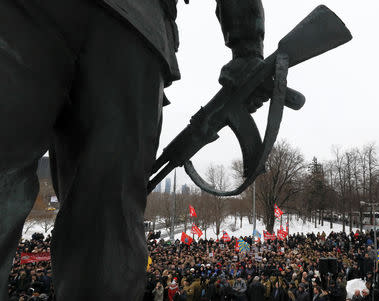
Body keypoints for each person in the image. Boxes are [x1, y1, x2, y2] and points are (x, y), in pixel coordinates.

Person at [0, 0, 265, 300]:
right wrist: (246, 46)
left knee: (107, 231)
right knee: (107, 228)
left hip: (119, 25)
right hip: (128, 27)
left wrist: (247, 46)